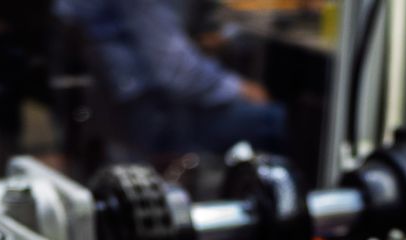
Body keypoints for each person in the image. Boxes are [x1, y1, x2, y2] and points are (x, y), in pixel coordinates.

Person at [57, 0, 286, 156]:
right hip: (158, 117)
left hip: (125, 109)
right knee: (275, 119)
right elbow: (178, 75)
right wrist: (239, 88)